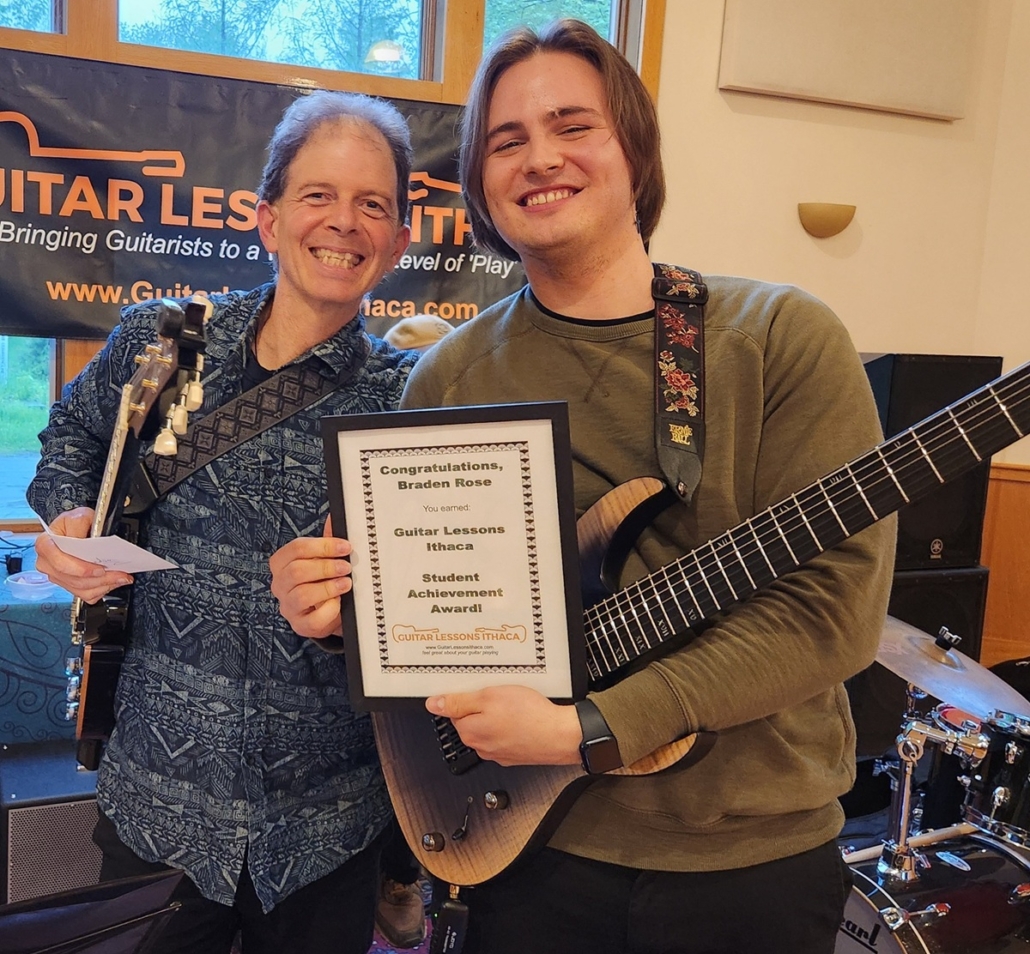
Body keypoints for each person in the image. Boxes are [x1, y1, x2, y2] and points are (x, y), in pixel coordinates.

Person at [269, 19, 896, 954]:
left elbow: (830, 611)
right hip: (525, 847)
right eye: (507, 140)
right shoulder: (447, 379)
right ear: (480, 183)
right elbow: (422, 623)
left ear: (634, 151)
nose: (540, 158)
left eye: (574, 126)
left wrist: (590, 726)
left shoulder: (781, 338)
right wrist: (334, 608)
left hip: (746, 862)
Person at [29, 89, 418, 954]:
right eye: (318, 195)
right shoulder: (166, 345)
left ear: (397, 244)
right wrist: (68, 516)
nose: (344, 223)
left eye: (373, 205)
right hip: (155, 803)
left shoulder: (409, 399)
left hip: (328, 826)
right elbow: (72, 437)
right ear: (267, 218)